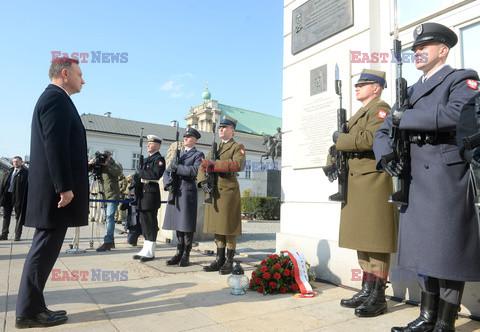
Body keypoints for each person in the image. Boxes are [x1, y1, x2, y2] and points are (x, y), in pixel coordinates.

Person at [373, 23, 480, 332]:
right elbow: (383, 131)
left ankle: (445, 322)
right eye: (415, 49)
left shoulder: (462, 80)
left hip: (445, 175)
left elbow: (457, 115)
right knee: (423, 251)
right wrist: (387, 155)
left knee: (447, 251)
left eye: (425, 47)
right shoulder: (408, 91)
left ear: (443, 50)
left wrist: (403, 118)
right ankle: (426, 316)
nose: (417, 52)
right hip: (413, 178)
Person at [15, 57, 87, 328]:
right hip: (55, 193)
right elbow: (54, 146)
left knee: (44, 250)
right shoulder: (55, 99)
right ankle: (28, 312)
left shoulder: (56, 99)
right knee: (43, 250)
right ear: (65, 74)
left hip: (55, 191)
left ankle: (34, 306)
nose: (83, 80)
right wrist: (64, 187)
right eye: (80, 74)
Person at [326, 69, 398, 317]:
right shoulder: (361, 112)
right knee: (362, 239)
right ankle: (367, 290)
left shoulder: (381, 109)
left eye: (363, 84)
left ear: (376, 88)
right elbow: (343, 141)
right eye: (357, 84)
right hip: (356, 182)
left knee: (375, 241)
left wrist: (341, 139)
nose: (357, 87)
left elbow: (371, 139)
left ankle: (378, 297)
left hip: (372, 181)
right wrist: (332, 156)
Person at [197, 116, 246, 274]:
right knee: (217, 227)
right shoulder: (215, 148)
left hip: (228, 190)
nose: (221, 130)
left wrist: (214, 165)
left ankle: (229, 261)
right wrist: (202, 180)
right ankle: (219, 259)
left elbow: (238, 165)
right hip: (214, 190)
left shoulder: (237, 146)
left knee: (229, 227)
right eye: (220, 128)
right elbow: (203, 165)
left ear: (232, 131)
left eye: (225, 128)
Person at [163, 127, 204, 267]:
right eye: (185, 137)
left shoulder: (198, 154)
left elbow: (194, 171)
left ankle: (186, 254)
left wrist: (177, 168)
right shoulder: (178, 154)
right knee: (177, 224)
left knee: (186, 225)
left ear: (195, 140)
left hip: (187, 191)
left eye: (188, 137)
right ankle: (178, 252)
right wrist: (167, 183)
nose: (185, 139)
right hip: (176, 191)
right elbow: (167, 171)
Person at [133, 135, 165, 261]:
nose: (148, 145)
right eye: (147, 143)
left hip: (151, 193)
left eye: (151, 144)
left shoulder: (159, 159)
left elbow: (156, 174)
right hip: (142, 194)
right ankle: (145, 249)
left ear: (157, 146)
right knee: (145, 224)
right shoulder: (146, 159)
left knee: (151, 223)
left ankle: (150, 251)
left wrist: (140, 173)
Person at [88, 151, 122, 251]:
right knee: (107, 218)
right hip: (103, 195)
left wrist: (106, 165)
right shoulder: (99, 165)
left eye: (106, 158)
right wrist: (91, 163)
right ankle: (111, 241)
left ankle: (108, 241)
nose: (104, 160)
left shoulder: (114, 164)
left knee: (109, 217)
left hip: (112, 195)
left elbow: (117, 173)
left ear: (109, 157)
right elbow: (88, 170)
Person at [0, 156, 28, 241]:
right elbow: (3, 185)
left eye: (17, 161)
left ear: (21, 162)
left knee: (18, 217)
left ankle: (17, 235)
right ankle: (4, 235)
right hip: (7, 196)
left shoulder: (26, 173)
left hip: (18, 197)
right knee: (6, 216)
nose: (15, 163)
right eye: (14, 161)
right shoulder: (9, 171)